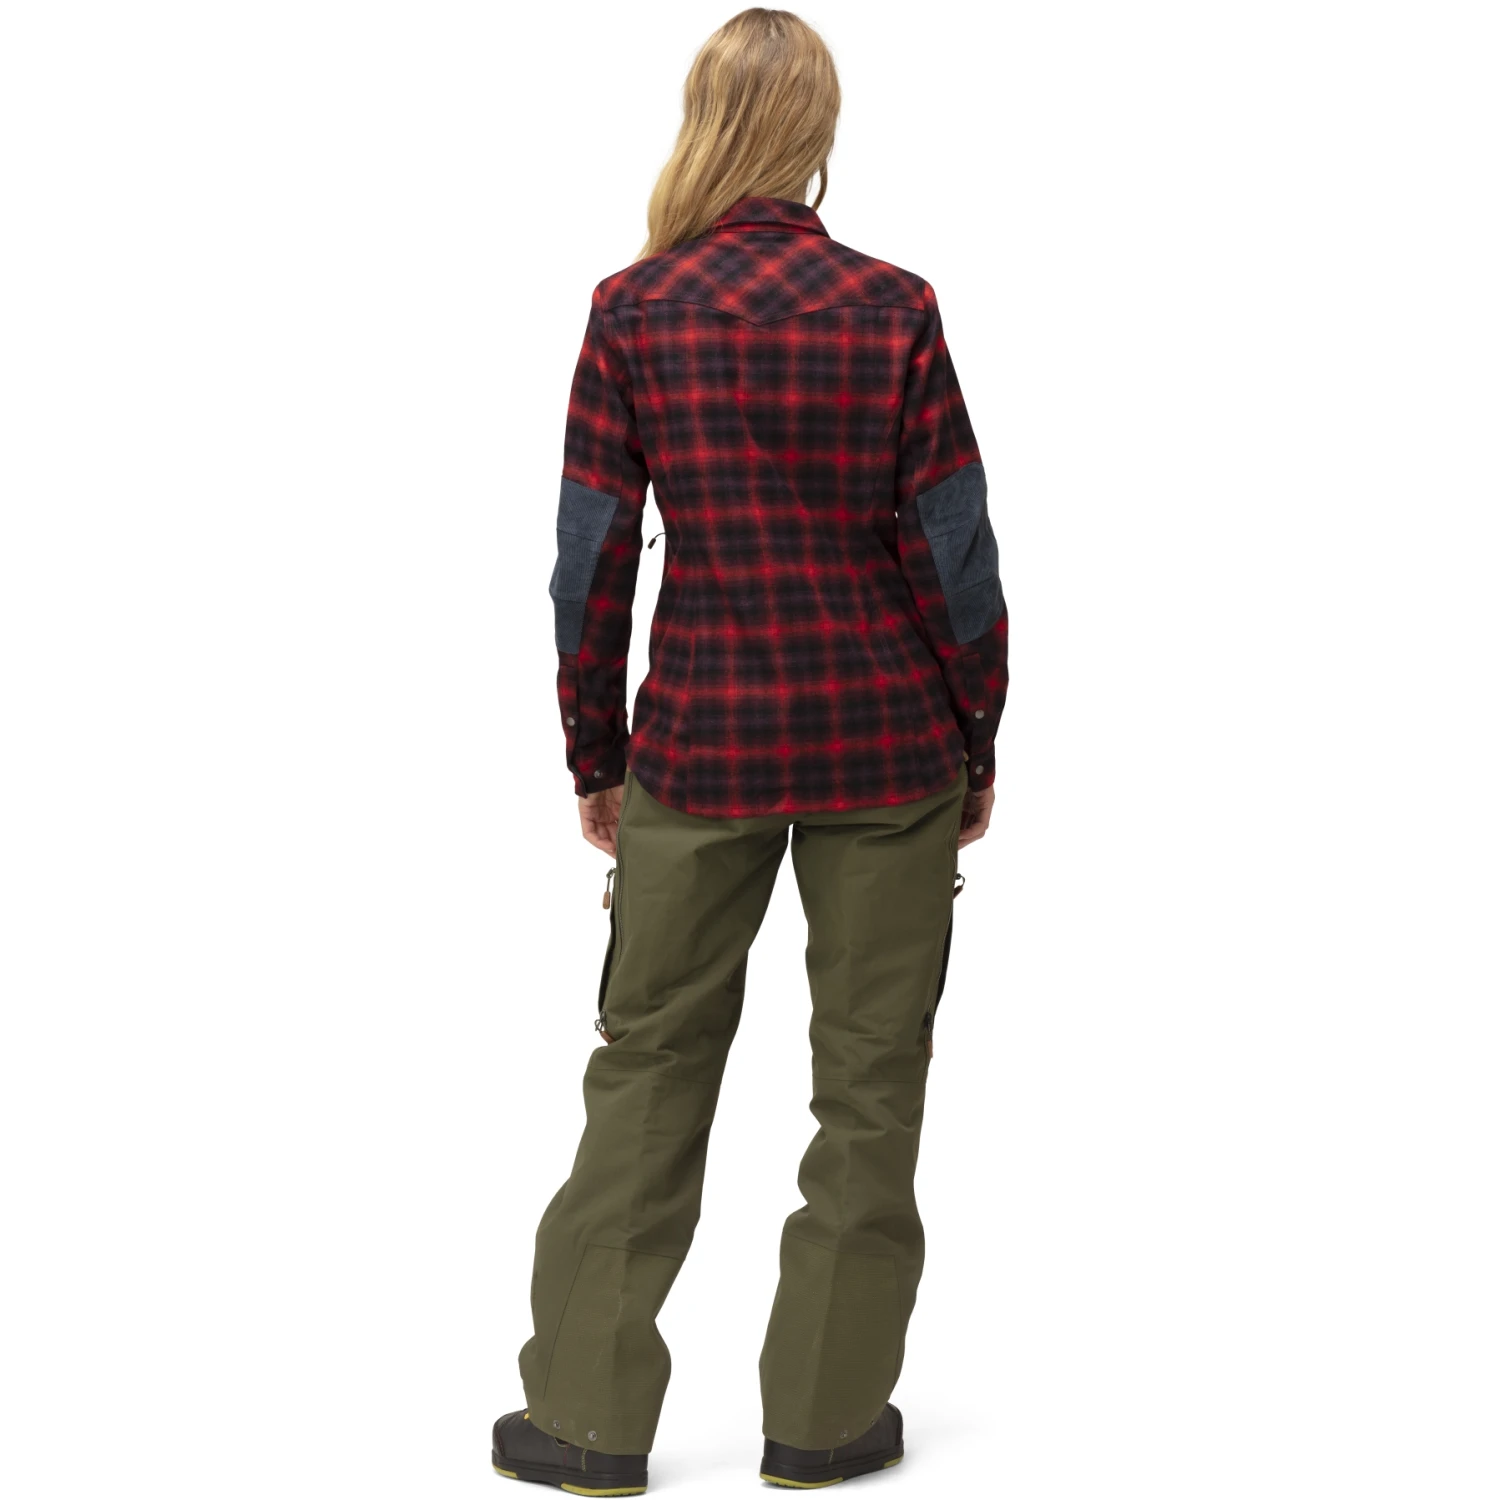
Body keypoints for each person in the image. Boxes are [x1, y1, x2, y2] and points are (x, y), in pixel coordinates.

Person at [493, 8, 1007, 1493]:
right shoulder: (894, 308)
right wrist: (976, 736)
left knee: (649, 1064)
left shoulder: (634, 310)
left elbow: (592, 558)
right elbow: (954, 551)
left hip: (700, 745)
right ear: (817, 131)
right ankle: (827, 1423)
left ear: (702, 119)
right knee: (871, 1086)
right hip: (887, 745)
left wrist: (595, 752)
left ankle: (585, 1422)